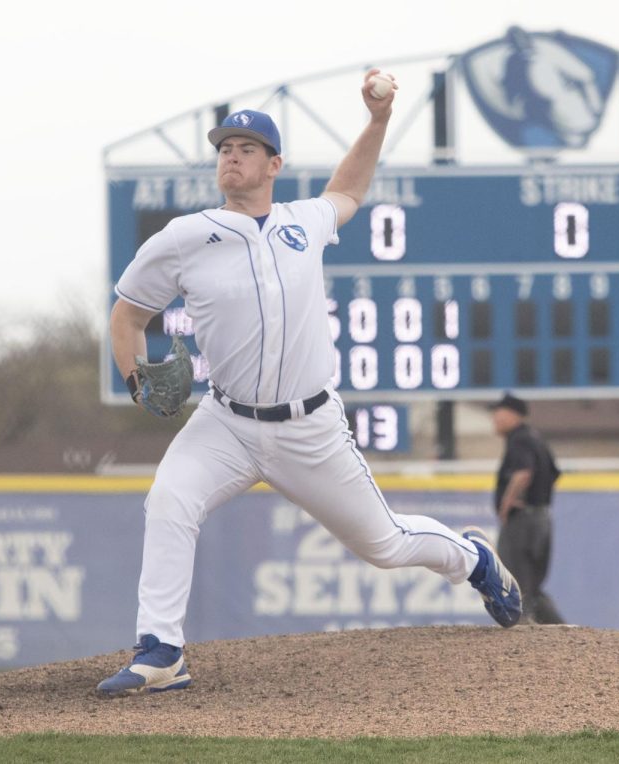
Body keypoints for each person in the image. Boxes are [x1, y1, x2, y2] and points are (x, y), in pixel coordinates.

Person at [97, 71, 522, 697]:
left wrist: (377, 122)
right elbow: (128, 315)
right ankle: (161, 651)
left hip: (310, 426)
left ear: (274, 164)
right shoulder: (185, 237)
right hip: (227, 423)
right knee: (169, 501)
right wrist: (136, 380)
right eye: (224, 149)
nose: (231, 157)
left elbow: (347, 190)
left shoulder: (305, 222)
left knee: (386, 543)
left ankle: (474, 560)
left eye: (245, 148)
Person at [489, 392, 565, 625]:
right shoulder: (535, 438)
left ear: (512, 414)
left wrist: (508, 502)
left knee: (514, 581)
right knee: (532, 585)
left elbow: (523, 472)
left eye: (498, 413)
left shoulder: (519, 439)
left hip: (524, 520)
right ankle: (563, 631)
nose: (495, 419)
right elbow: (554, 472)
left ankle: (521, 630)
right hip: (541, 519)